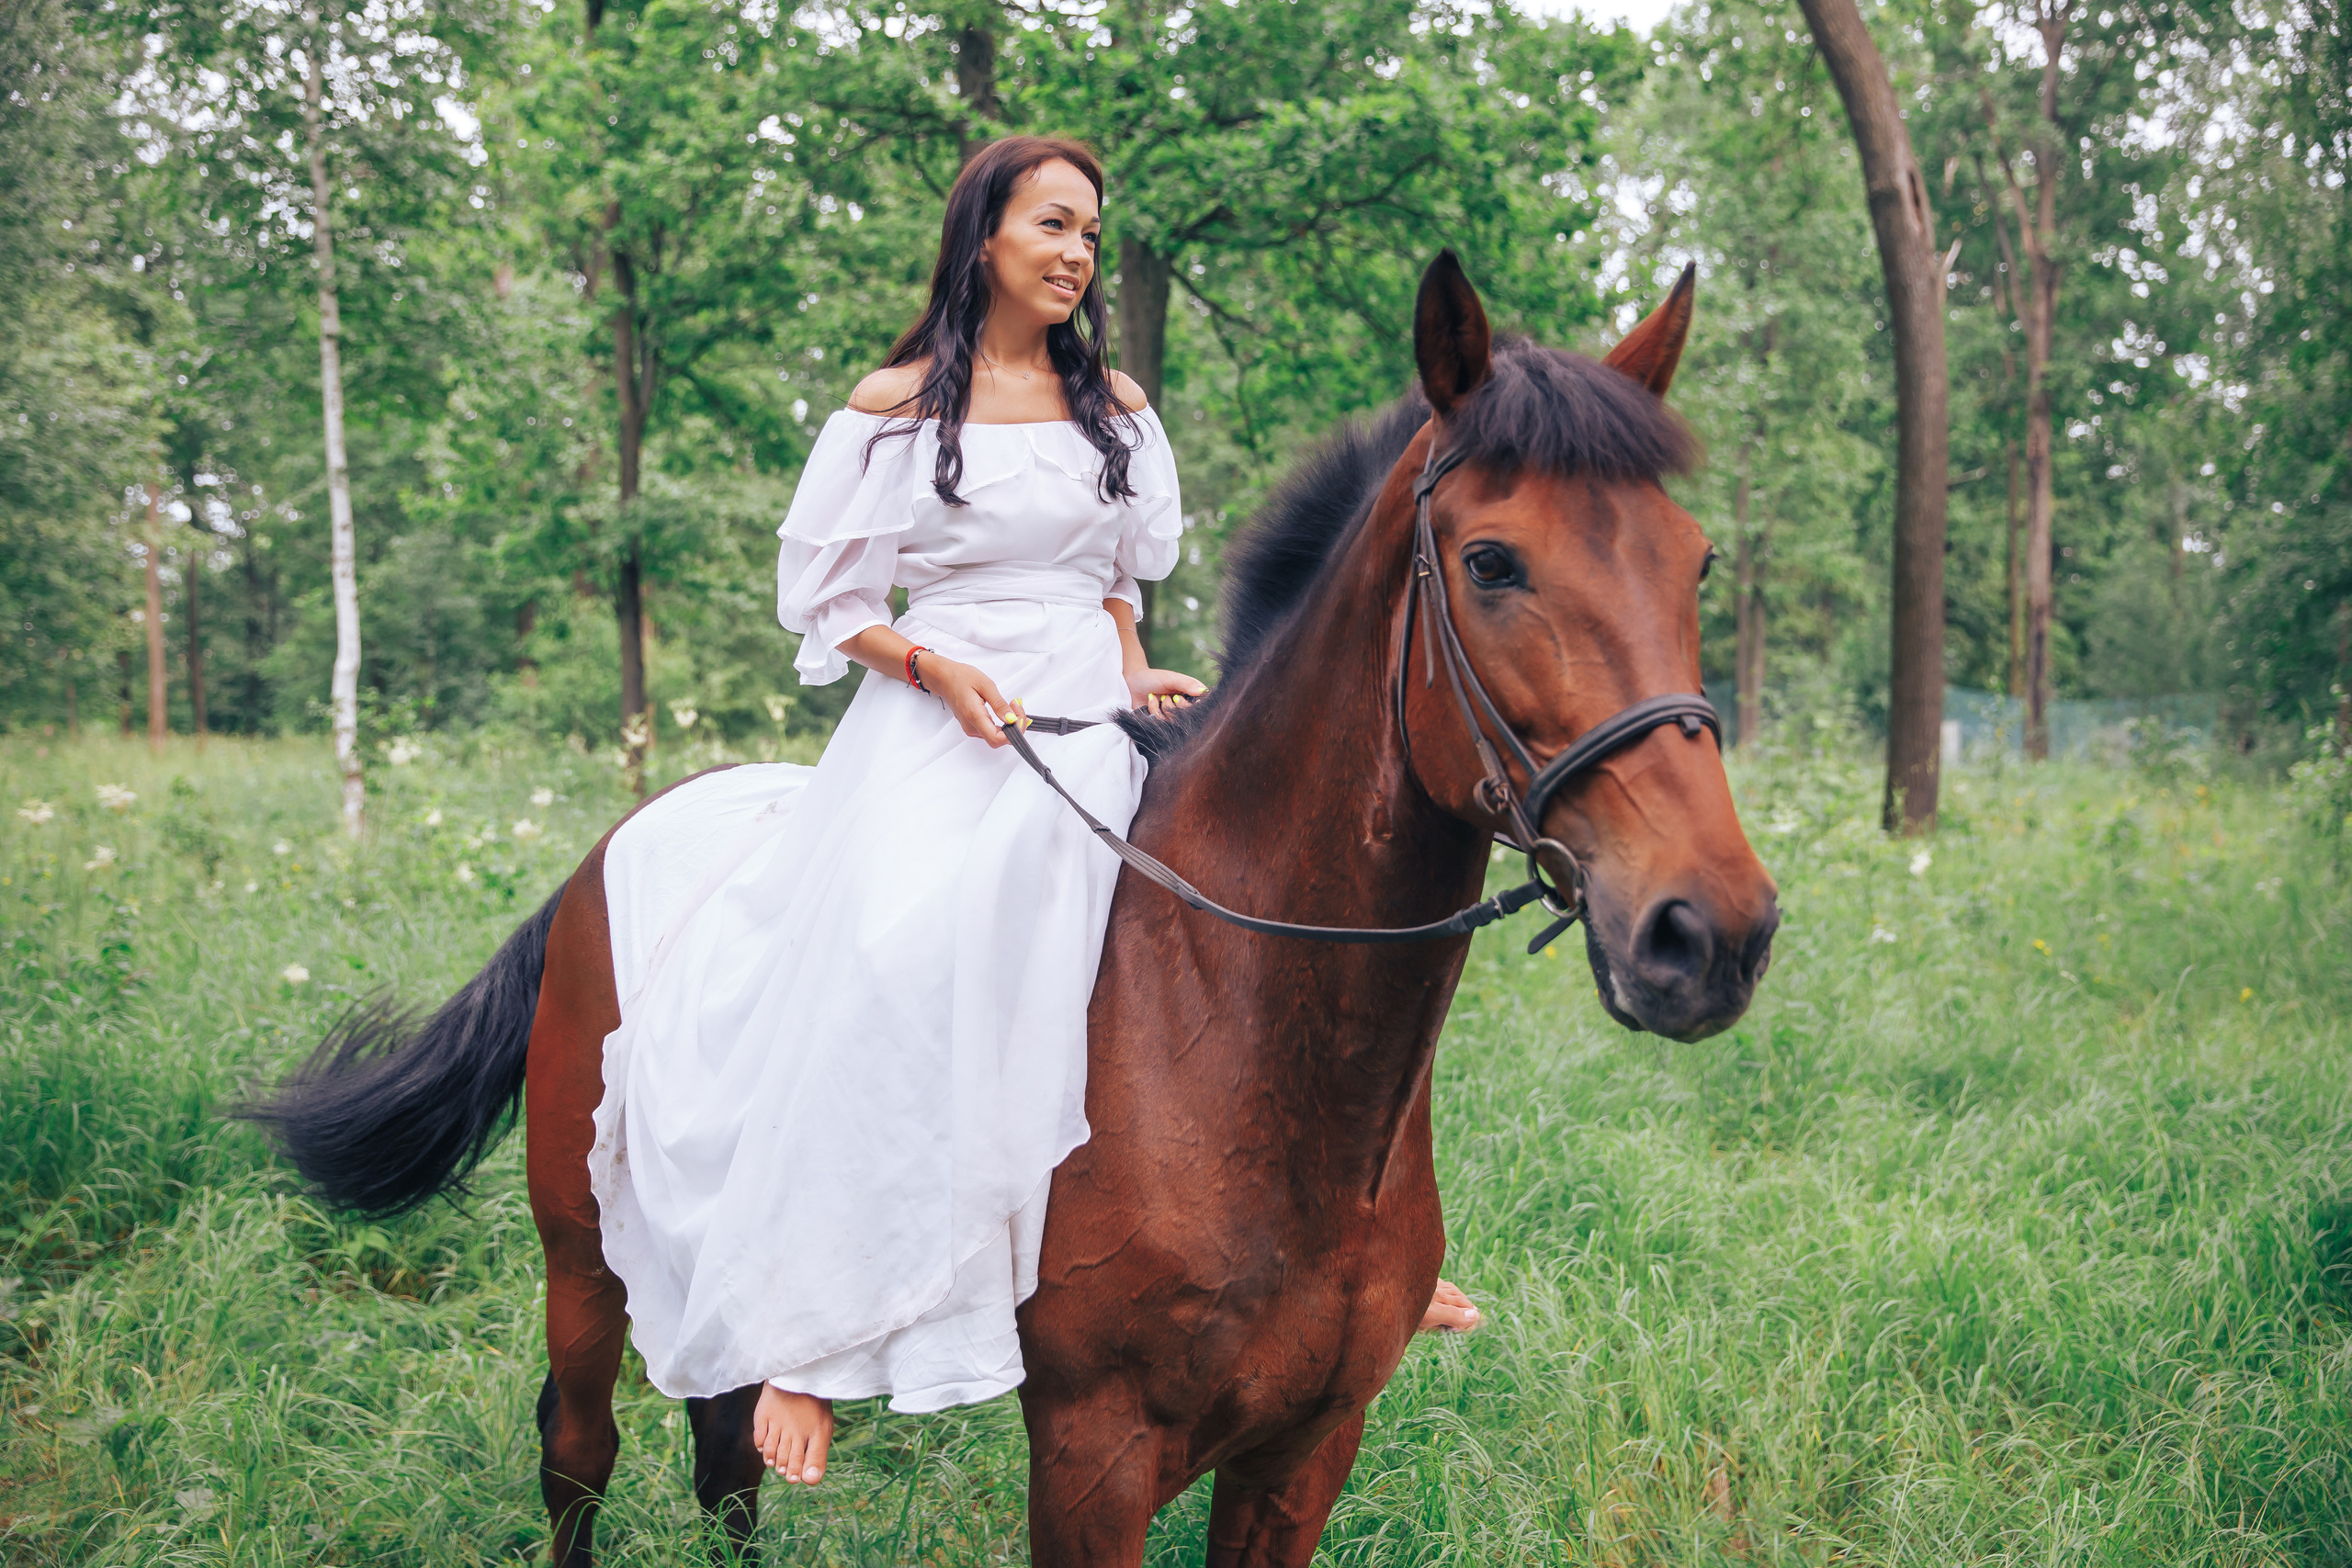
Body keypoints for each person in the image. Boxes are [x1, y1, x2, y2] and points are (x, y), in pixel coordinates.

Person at [583, 136, 1478, 1502]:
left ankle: (1343, 1259)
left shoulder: (1112, 404)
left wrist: (1131, 670)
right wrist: (935, 670)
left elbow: (1119, 575)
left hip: (1086, 703)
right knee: (901, 951)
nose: (1075, 254)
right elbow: (837, 610)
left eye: (1090, 236)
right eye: (1053, 225)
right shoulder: (891, 409)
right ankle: (805, 1338)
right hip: (944, 710)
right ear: (984, 236)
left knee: (1245, 925)